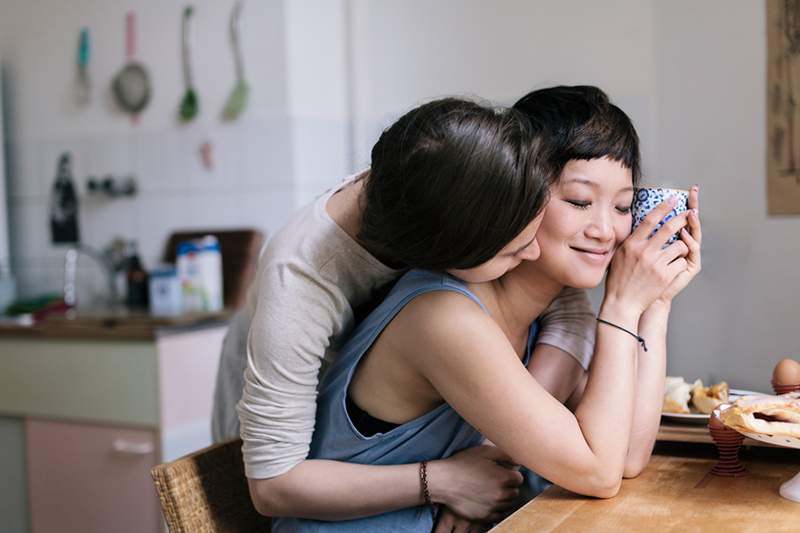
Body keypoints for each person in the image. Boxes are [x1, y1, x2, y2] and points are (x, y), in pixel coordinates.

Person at [271, 85, 702, 532]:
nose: (605, 230)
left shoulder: (547, 318)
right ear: (521, 194)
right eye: (578, 201)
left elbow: (627, 455)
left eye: (623, 206)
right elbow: (600, 472)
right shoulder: (442, 314)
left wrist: (656, 302)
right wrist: (621, 305)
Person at [211, 97, 597, 523]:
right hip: (293, 456)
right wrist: (444, 480)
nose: (536, 252)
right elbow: (274, 486)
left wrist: (498, 457)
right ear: (437, 261)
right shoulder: (301, 283)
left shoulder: (444, 176)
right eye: (514, 253)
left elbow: (565, 305)